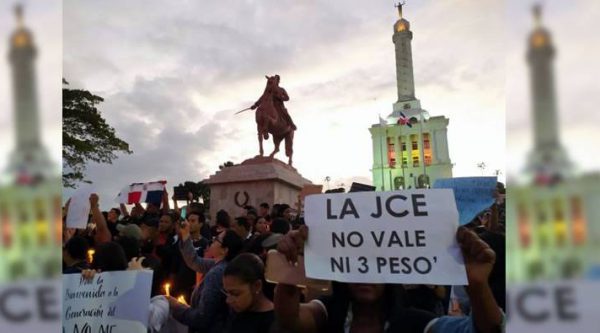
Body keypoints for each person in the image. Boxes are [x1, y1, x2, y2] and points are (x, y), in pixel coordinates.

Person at [274, 225, 504, 333]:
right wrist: (291, 268)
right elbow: (290, 319)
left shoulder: (417, 324)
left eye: (376, 263)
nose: (366, 273)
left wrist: (477, 285)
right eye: (358, 263)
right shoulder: (329, 312)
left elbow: (487, 330)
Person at [167, 221, 244, 333]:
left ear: (224, 250)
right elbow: (194, 261)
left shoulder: (217, 273)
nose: (212, 240)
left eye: (217, 239)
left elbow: (202, 317)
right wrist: (185, 235)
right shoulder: (219, 264)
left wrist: (176, 306)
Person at [221, 253, 275, 333]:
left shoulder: (274, 324)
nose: (228, 300)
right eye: (227, 293)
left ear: (257, 286)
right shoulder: (239, 311)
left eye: (235, 294)